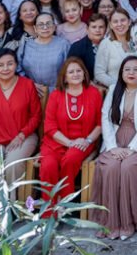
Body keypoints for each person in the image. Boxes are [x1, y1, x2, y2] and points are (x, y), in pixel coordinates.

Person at [93, 56, 137, 240]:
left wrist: (132, 148)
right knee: (112, 167)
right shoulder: (114, 89)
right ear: (121, 73)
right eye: (127, 69)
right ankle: (111, 222)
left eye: (135, 69)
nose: (131, 73)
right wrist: (113, 147)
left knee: (128, 167)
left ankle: (129, 222)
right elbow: (105, 118)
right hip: (114, 139)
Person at [0, 49, 41, 195]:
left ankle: (14, 206)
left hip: (23, 137)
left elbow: (35, 116)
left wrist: (22, 135)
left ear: (16, 65)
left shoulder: (28, 85)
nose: (5, 68)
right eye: (0, 65)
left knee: (12, 164)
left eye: (10, 64)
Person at [39, 58, 102, 206]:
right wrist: (69, 142)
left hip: (83, 142)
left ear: (84, 73)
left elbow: (100, 125)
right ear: (64, 77)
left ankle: (64, 204)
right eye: (71, 72)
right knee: (48, 165)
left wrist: (86, 141)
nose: (75, 74)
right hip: (56, 142)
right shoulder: (56, 95)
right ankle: (49, 209)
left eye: (79, 71)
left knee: (70, 159)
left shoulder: (93, 93)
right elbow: (49, 126)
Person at [17, 14, 70, 103]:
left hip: (58, 92)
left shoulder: (63, 44)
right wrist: (30, 85)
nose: (45, 27)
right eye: (41, 24)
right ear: (35, 28)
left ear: (54, 27)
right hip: (31, 92)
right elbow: (18, 68)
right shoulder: (26, 44)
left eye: (48, 24)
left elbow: (69, 68)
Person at [94, 8, 137, 88]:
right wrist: (120, 87)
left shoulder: (136, 42)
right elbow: (99, 73)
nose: (119, 24)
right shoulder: (106, 44)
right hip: (116, 92)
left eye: (123, 20)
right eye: (115, 21)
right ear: (110, 25)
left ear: (129, 22)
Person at [68, 13, 108, 85]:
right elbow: (72, 72)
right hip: (86, 87)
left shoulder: (111, 45)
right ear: (87, 29)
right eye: (94, 27)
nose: (97, 30)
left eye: (101, 27)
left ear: (106, 29)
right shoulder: (77, 47)